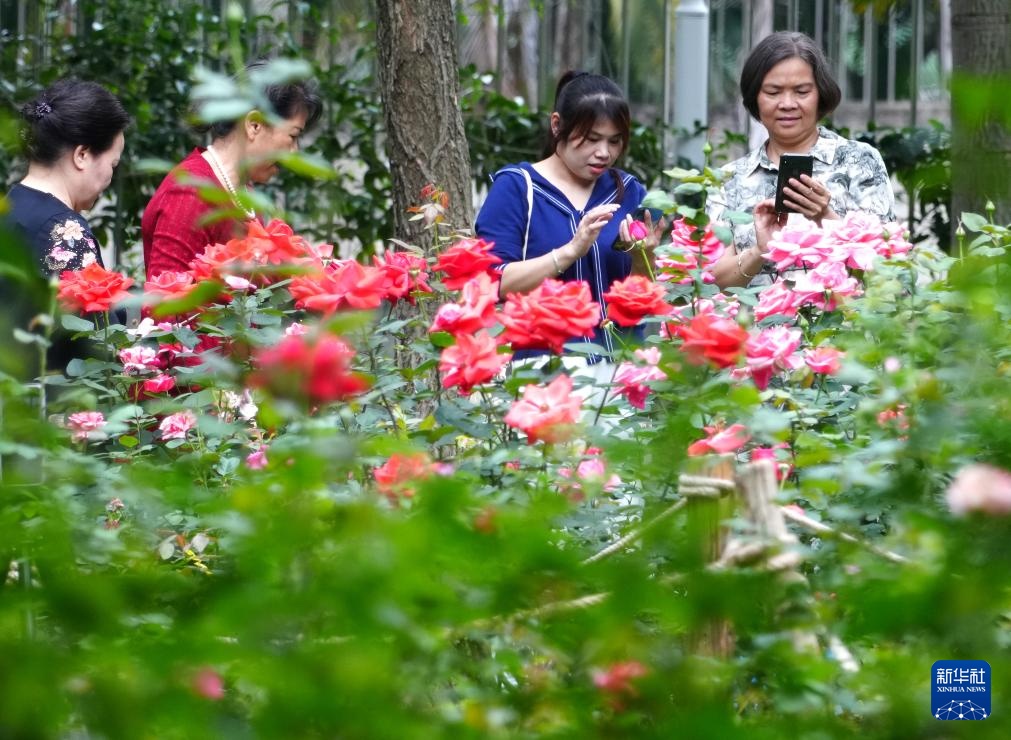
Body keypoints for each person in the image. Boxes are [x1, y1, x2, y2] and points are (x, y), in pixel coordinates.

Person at [475, 70, 663, 358]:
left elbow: (641, 300)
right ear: (556, 125)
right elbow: (491, 282)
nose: (604, 153)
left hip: (618, 374)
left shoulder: (628, 191)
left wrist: (643, 258)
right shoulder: (517, 187)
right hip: (542, 378)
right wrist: (571, 251)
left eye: (614, 141)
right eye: (591, 138)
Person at [708, 31, 896, 289]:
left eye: (801, 91)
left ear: (820, 94)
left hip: (842, 327)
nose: (787, 103)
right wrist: (759, 251)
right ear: (755, 97)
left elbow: (889, 275)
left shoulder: (859, 162)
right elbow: (710, 285)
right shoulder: (728, 181)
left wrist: (825, 217)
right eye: (773, 92)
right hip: (755, 328)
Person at [142, 62, 322, 279]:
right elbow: (163, 306)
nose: (294, 152)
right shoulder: (189, 193)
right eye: (293, 136)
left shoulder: (241, 190)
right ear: (254, 125)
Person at [5, 79, 129, 276]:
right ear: (82, 155)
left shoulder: (9, 206)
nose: (110, 176)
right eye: (112, 164)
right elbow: (93, 306)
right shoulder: (66, 233)